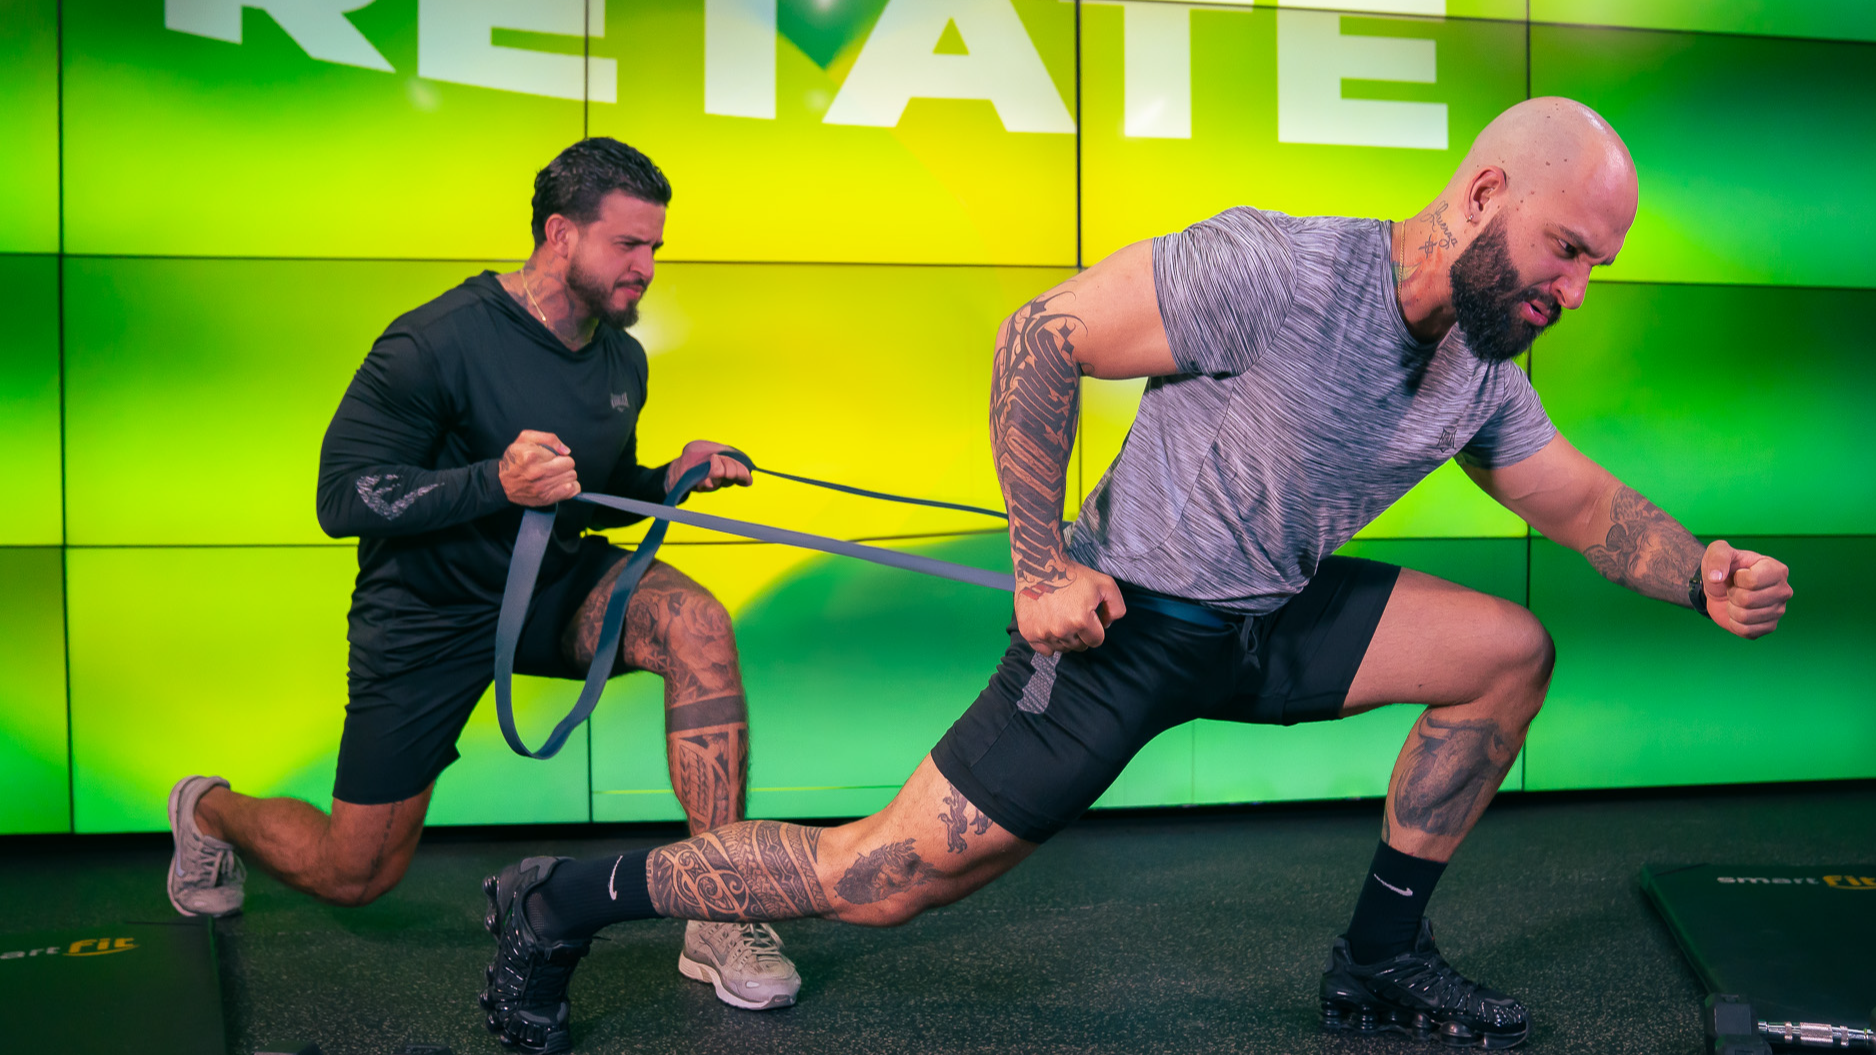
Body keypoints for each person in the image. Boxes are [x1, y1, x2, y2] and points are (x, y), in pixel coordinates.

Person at [476, 98, 1794, 1052]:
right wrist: (1042, 565)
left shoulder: (1485, 368)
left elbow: (1578, 498)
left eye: (1596, 269)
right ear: (1490, 193)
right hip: (1123, 621)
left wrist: (1700, 573)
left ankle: (1379, 960)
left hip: (1271, 613)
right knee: (881, 875)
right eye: (1570, 248)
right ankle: (559, 898)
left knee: (1508, 652)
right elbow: (1040, 336)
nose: (1576, 287)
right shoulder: (1277, 269)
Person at [164, 138, 806, 1015]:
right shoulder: (433, 342)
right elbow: (342, 495)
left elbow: (585, 497)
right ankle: (208, 811)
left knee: (697, 621)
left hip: (553, 588)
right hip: (428, 613)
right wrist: (490, 482)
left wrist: (666, 480)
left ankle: (721, 905)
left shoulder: (623, 358)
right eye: (629, 245)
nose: (647, 267)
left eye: (656, 246)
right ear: (558, 234)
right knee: (353, 874)